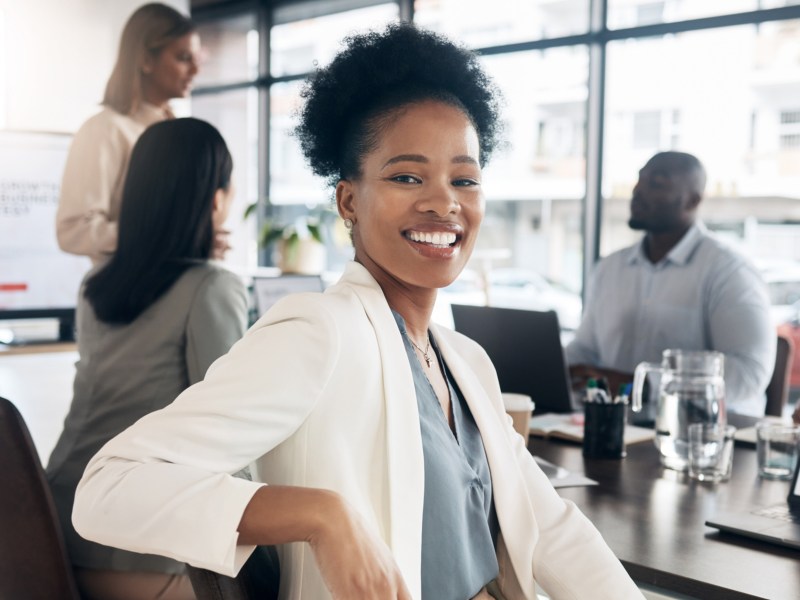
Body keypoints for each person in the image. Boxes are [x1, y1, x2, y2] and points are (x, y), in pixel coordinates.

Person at [73, 24, 644, 599]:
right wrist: (322, 517)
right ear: (349, 201)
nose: (443, 201)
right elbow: (109, 487)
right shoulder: (319, 332)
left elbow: (552, 528)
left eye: (464, 179)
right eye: (406, 176)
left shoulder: (467, 362)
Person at [47, 118, 248, 600]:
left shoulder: (98, 285)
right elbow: (234, 434)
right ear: (216, 199)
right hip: (137, 547)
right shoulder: (211, 288)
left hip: (49, 524)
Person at [566, 151, 775, 416]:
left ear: (692, 200)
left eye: (656, 183)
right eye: (639, 180)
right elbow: (586, 349)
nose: (638, 191)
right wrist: (553, 366)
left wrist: (643, 386)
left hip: (699, 437)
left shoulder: (729, 271)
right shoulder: (610, 268)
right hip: (613, 427)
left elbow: (748, 373)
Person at [56, 3, 199, 263]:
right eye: (183, 57)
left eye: (197, 59)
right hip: (127, 295)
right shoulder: (104, 129)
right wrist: (163, 238)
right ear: (145, 59)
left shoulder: (183, 134)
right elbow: (74, 231)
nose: (196, 70)